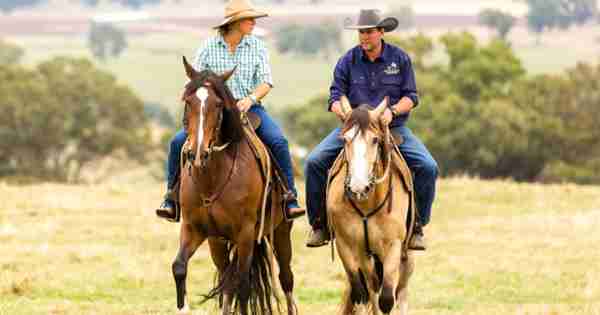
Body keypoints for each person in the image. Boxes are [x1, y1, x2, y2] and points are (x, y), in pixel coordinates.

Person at [156, 0, 305, 221]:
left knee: (278, 141)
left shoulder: (257, 46)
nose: (254, 22)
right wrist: (188, 92)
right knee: (177, 143)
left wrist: (250, 98)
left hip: (249, 108)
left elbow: (266, 82)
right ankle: (171, 198)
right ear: (234, 23)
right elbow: (196, 78)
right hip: (213, 111)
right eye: (249, 18)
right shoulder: (208, 46)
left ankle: (289, 198)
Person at [304, 9, 438, 250]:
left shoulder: (400, 59)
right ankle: (319, 225)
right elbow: (335, 95)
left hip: (392, 127)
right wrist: (343, 111)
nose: (364, 37)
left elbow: (411, 97)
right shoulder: (348, 60)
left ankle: (417, 226)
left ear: (381, 32)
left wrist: (393, 111)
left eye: (369, 32)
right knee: (314, 162)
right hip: (355, 128)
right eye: (361, 33)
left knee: (428, 167)